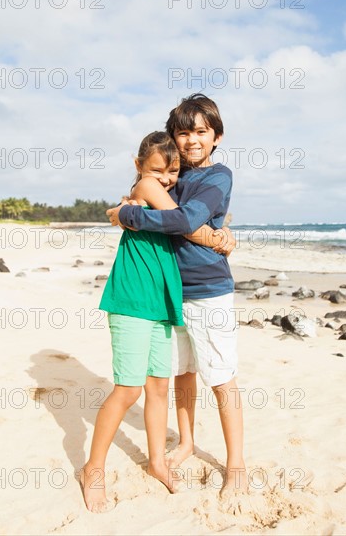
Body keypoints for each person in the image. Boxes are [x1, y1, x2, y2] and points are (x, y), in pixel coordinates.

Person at [80, 131, 234, 513]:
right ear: (140, 167)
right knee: (128, 391)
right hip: (132, 301)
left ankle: (157, 462)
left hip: (162, 302)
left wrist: (225, 229)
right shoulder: (147, 185)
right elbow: (183, 224)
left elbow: (187, 216)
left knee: (159, 389)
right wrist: (218, 240)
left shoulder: (162, 190)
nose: (166, 178)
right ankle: (92, 470)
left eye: (173, 170)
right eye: (158, 170)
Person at [107, 94, 247, 497]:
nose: (191, 141)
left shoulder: (219, 176)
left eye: (201, 132)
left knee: (221, 377)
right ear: (173, 137)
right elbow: (145, 194)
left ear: (217, 136)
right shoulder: (170, 173)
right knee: (182, 374)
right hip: (168, 291)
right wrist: (127, 206)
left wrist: (127, 216)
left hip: (208, 291)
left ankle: (235, 463)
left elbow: (185, 219)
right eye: (183, 133)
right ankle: (185, 441)